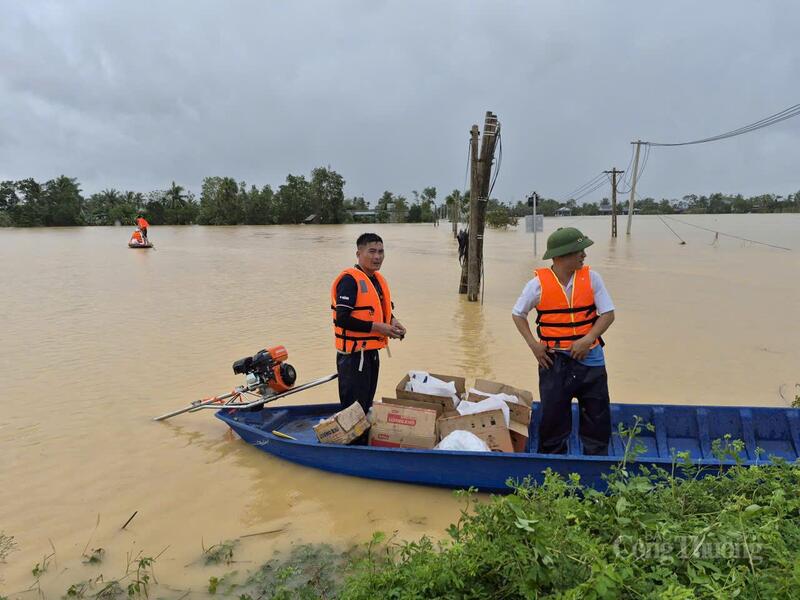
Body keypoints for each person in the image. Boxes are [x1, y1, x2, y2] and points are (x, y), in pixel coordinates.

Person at [511, 227, 615, 455]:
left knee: (597, 414)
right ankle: (552, 462)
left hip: (590, 358)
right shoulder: (537, 285)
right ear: (560, 256)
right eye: (578, 250)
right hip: (553, 360)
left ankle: (597, 461)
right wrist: (534, 346)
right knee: (553, 415)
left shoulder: (592, 278)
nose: (584, 255)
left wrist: (588, 339)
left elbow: (608, 314)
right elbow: (518, 314)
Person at [331, 233, 406, 414]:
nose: (377, 256)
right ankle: (351, 441)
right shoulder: (349, 280)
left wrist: (393, 322)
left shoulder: (377, 280)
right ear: (358, 253)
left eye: (381, 252)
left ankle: (363, 438)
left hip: (370, 353)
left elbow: (381, 309)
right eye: (371, 251)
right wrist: (378, 328)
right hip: (353, 357)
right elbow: (342, 318)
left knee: (366, 405)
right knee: (353, 410)